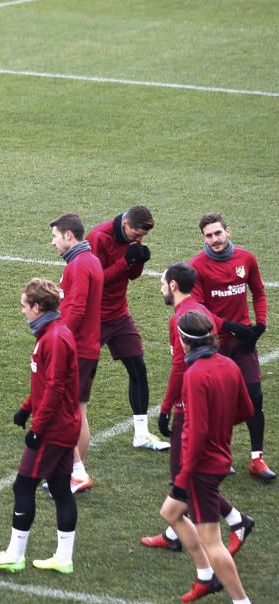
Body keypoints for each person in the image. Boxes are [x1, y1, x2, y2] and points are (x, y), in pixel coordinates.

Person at [141, 264, 254, 556]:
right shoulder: (200, 310)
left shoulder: (180, 319)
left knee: (184, 474)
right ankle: (174, 532)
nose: (161, 288)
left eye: (163, 283)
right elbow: (219, 323)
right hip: (209, 401)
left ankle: (235, 520)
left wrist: (165, 408)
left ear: (174, 286)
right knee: (189, 475)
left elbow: (180, 367)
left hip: (188, 406)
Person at [159, 310, 258, 604]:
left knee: (213, 542)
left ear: (185, 342)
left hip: (201, 468)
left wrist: (184, 477)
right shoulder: (228, 365)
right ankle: (204, 576)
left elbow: (197, 433)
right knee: (171, 512)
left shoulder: (195, 374)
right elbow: (246, 409)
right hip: (219, 457)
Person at [0, 279, 79, 574]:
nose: (22, 311)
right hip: (62, 425)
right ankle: (64, 557)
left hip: (55, 429)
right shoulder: (52, 333)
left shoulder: (54, 338)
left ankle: (15, 553)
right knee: (61, 488)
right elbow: (46, 383)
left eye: (24, 306)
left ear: (37, 307)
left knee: (23, 484)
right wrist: (26, 407)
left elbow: (55, 388)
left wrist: (38, 427)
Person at [189, 213, 273, 481]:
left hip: (243, 343)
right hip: (213, 344)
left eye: (218, 233)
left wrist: (260, 324)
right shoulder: (197, 266)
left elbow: (258, 292)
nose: (214, 239)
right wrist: (227, 326)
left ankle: (257, 459)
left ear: (228, 231)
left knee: (255, 396)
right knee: (216, 403)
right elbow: (199, 308)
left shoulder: (246, 259)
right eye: (209, 235)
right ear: (203, 237)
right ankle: (218, 457)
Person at [86, 205, 169, 451]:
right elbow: (95, 279)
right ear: (125, 225)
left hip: (119, 315)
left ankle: (141, 435)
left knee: (138, 368)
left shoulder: (131, 238)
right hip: (94, 318)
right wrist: (125, 262)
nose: (139, 240)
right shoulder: (99, 237)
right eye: (137, 235)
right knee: (80, 375)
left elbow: (131, 276)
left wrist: (138, 262)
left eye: (143, 237)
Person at [50, 213, 102, 493]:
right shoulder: (87, 260)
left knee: (67, 414)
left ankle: (78, 473)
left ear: (69, 236)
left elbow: (77, 308)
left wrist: (58, 340)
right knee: (78, 412)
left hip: (77, 349)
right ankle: (75, 473)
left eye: (55, 237)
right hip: (86, 347)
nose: (53, 243)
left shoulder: (80, 264)